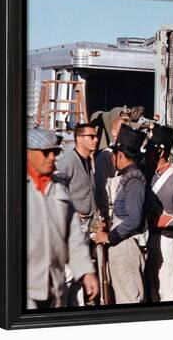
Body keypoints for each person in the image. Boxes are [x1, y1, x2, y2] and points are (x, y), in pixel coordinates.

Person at [26, 128, 98, 309]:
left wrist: (86, 272)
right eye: (45, 152)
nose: (52, 157)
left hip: (54, 284)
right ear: (28, 153)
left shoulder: (59, 188)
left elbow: (73, 237)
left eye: (55, 152)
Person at [94, 124, 147, 304]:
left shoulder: (134, 178)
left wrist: (110, 237)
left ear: (121, 155)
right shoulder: (129, 176)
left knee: (130, 300)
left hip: (126, 246)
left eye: (114, 155)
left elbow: (133, 219)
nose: (112, 159)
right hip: (122, 245)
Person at [144, 124, 173, 302]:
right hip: (150, 237)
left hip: (168, 237)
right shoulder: (149, 176)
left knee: (169, 287)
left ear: (161, 152)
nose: (147, 156)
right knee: (152, 287)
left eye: (150, 151)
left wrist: (157, 220)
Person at [93, 117, 124, 220]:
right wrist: (105, 215)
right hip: (111, 212)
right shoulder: (105, 156)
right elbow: (100, 187)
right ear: (113, 132)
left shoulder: (129, 156)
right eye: (123, 130)